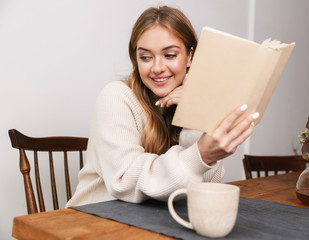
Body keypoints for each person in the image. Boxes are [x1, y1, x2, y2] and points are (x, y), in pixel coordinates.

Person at [66, 5, 259, 207]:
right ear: (136, 59)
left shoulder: (185, 99)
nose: (157, 68)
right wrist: (201, 154)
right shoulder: (116, 97)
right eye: (146, 57)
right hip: (93, 219)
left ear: (190, 56)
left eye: (169, 55)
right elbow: (124, 182)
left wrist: (196, 111)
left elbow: (204, 184)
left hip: (151, 218)